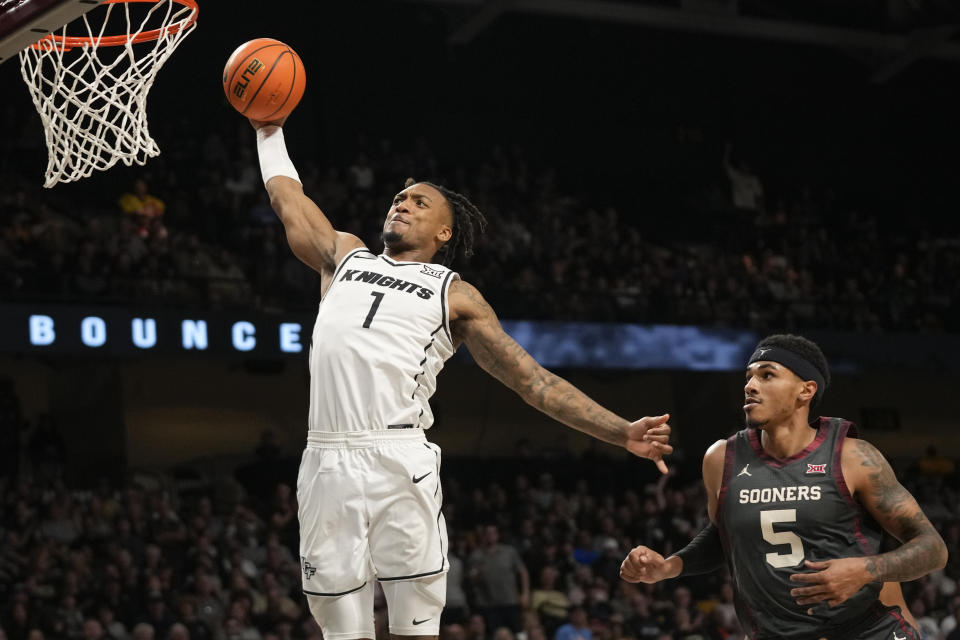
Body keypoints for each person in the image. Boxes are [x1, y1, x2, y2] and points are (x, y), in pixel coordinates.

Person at [248, 116, 674, 640]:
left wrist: (621, 431)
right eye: (399, 198)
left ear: (443, 232)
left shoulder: (455, 293)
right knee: (339, 626)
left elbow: (533, 382)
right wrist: (269, 129)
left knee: (416, 624)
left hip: (398, 458)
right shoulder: (343, 255)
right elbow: (288, 198)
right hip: (326, 459)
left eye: (418, 202)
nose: (401, 204)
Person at [620, 334, 948, 640]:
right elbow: (725, 535)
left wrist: (866, 570)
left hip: (867, 629)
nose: (750, 385)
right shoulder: (721, 458)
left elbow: (933, 548)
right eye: (747, 376)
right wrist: (669, 566)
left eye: (767, 375)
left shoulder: (853, 458)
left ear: (805, 391)